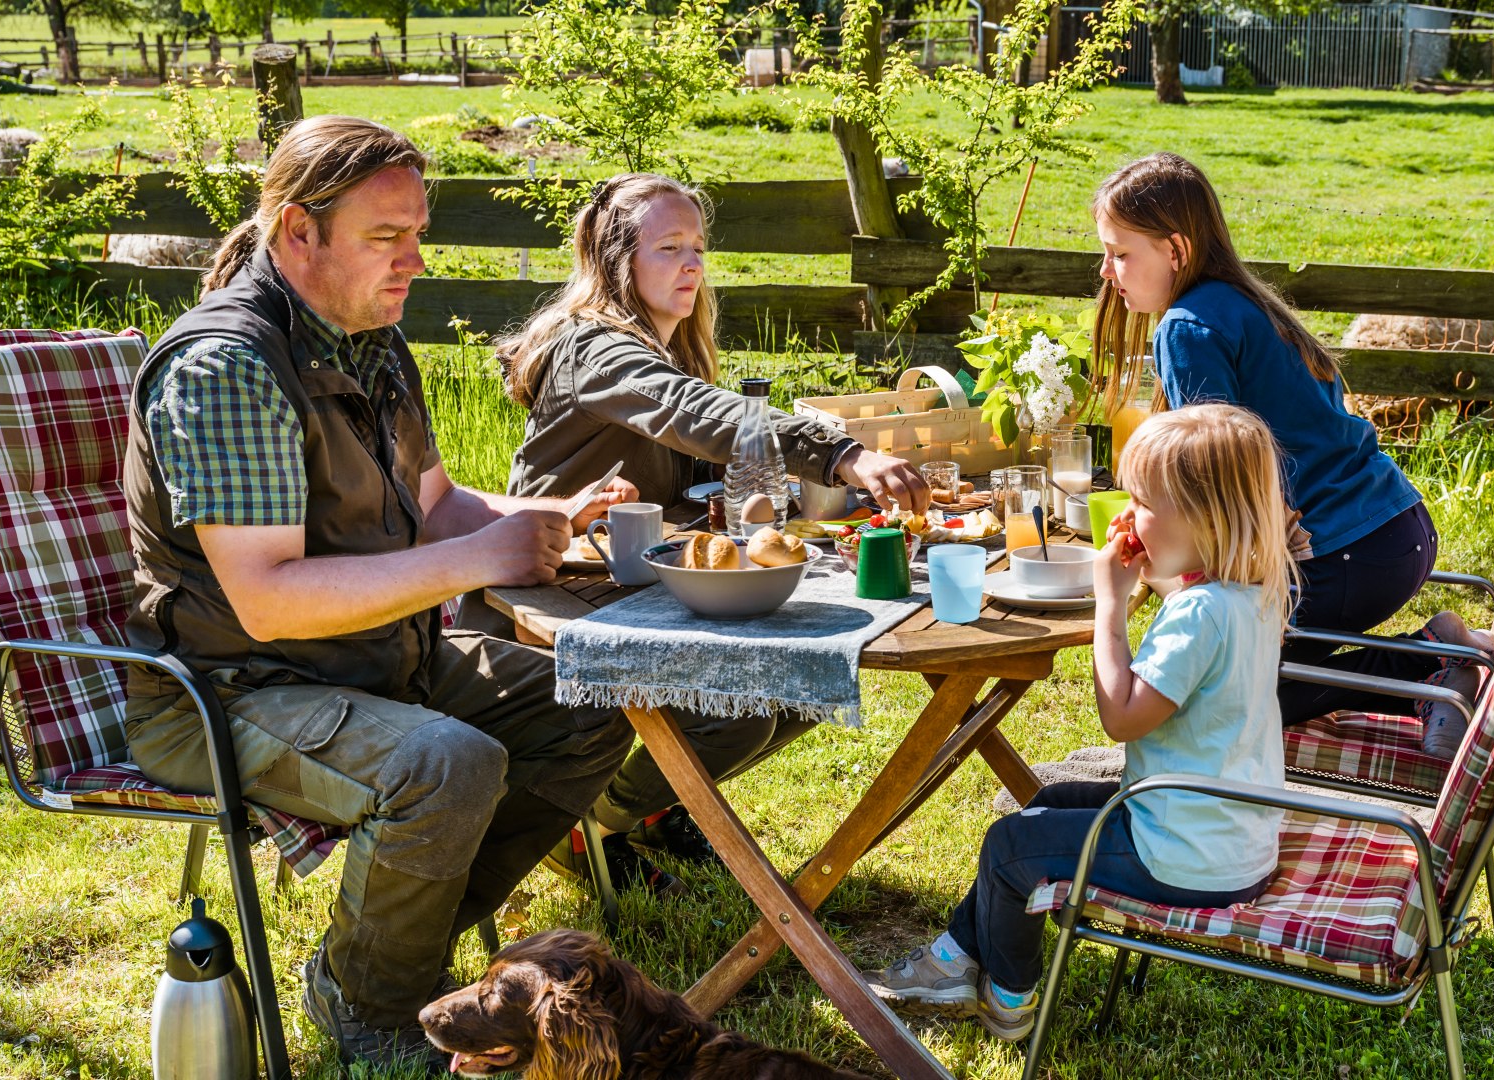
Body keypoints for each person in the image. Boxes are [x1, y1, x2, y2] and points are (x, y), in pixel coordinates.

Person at [122, 116, 640, 1075]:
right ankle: (368, 1004)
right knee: (446, 765)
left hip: (373, 660)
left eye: (418, 235)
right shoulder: (229, 369)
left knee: (594, 704)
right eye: (384, 238)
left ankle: (398, 951)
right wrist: (484, 558)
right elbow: (268, 601)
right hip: (228, 689)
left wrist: (549, 513)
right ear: (298, 234)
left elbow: (436, 504)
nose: (413, 260)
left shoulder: (369, 338)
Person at [476, 172, 931, 894]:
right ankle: (589, 825)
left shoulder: (669, 345)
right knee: (743, 714)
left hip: (636, 582)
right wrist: (844, 453)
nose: (692, 264)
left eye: (698, 247)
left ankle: (653, 810)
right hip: (549, 591)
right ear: (616, 260)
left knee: (798, 682)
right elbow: (692, 410)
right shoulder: (595, 349)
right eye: (669, 248)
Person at [862, 404, 1293, 1042]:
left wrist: (1111, 605)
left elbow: (1121, 717)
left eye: (1142, 500)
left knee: (1009, 846)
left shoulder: (1199, 614)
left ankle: (1008, 1000)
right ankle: (955, 957)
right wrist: (1156, 575)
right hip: (1232, 835)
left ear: (1202, 516)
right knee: (1052, 800)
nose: (1126, 515)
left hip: (1182, 854)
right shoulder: (1250, 592)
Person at [1089, 152, 1492, 757]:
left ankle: (1428, 667)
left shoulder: (1187, 327)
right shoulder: (1243, 301)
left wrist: (1161, 565)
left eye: (1121, 253)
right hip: (1395, 531)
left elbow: (1211, 476)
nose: (1106, 271)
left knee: (1218, 696)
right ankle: (1430, 656)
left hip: (1339, 554)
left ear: (1174, 248)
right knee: (1239, 680)